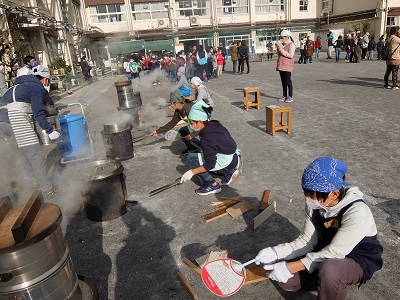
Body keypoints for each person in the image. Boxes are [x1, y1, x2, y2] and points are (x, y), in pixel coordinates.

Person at [255, 156, 383, 300]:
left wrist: (291, 266)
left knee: (331, 270)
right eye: (306, 193)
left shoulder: (357, 212)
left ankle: (333, 280)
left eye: (312, 195)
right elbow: (306, 241)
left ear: (334, 193)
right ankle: (328, 281)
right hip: (325, 252)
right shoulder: (315, 205)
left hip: (357, 257)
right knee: (287, 281)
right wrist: (275, 253)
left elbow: (335, 252)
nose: (308, 199)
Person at [0, 65, 60, 198]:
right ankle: (47, 188)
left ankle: (32, 182)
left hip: (3, 122)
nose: (47, 84)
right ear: (44, 80)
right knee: (36, 155)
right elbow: (38, 113)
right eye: (48, 81)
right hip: (16, 118)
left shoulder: (14, 87)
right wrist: (50, 131)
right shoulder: (36, 87)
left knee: (22, 154)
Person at [180, 102, 241, 195]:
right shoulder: (215, 125)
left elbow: (210, 164)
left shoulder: (207, 139)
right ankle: (228, 171)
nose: (191, 126)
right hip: (233, 155)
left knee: (191, 158)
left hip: (225, 158)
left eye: (192, 123)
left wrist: (192, 172)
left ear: (200, 121)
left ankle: (211, 185)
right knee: (203, 149)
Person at [276, 30, 295, 103]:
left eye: (283, 37)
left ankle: (290, 96)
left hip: (287, 65)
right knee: (283, 81)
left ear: (287, 37)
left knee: (288, 81)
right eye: (281, 37)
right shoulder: (282, 44)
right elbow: (279, 54)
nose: (282, 39)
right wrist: (278, 49)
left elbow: (290, 55)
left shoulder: (291, 44)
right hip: (281, 65)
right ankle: (284, 95)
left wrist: (281, 50)